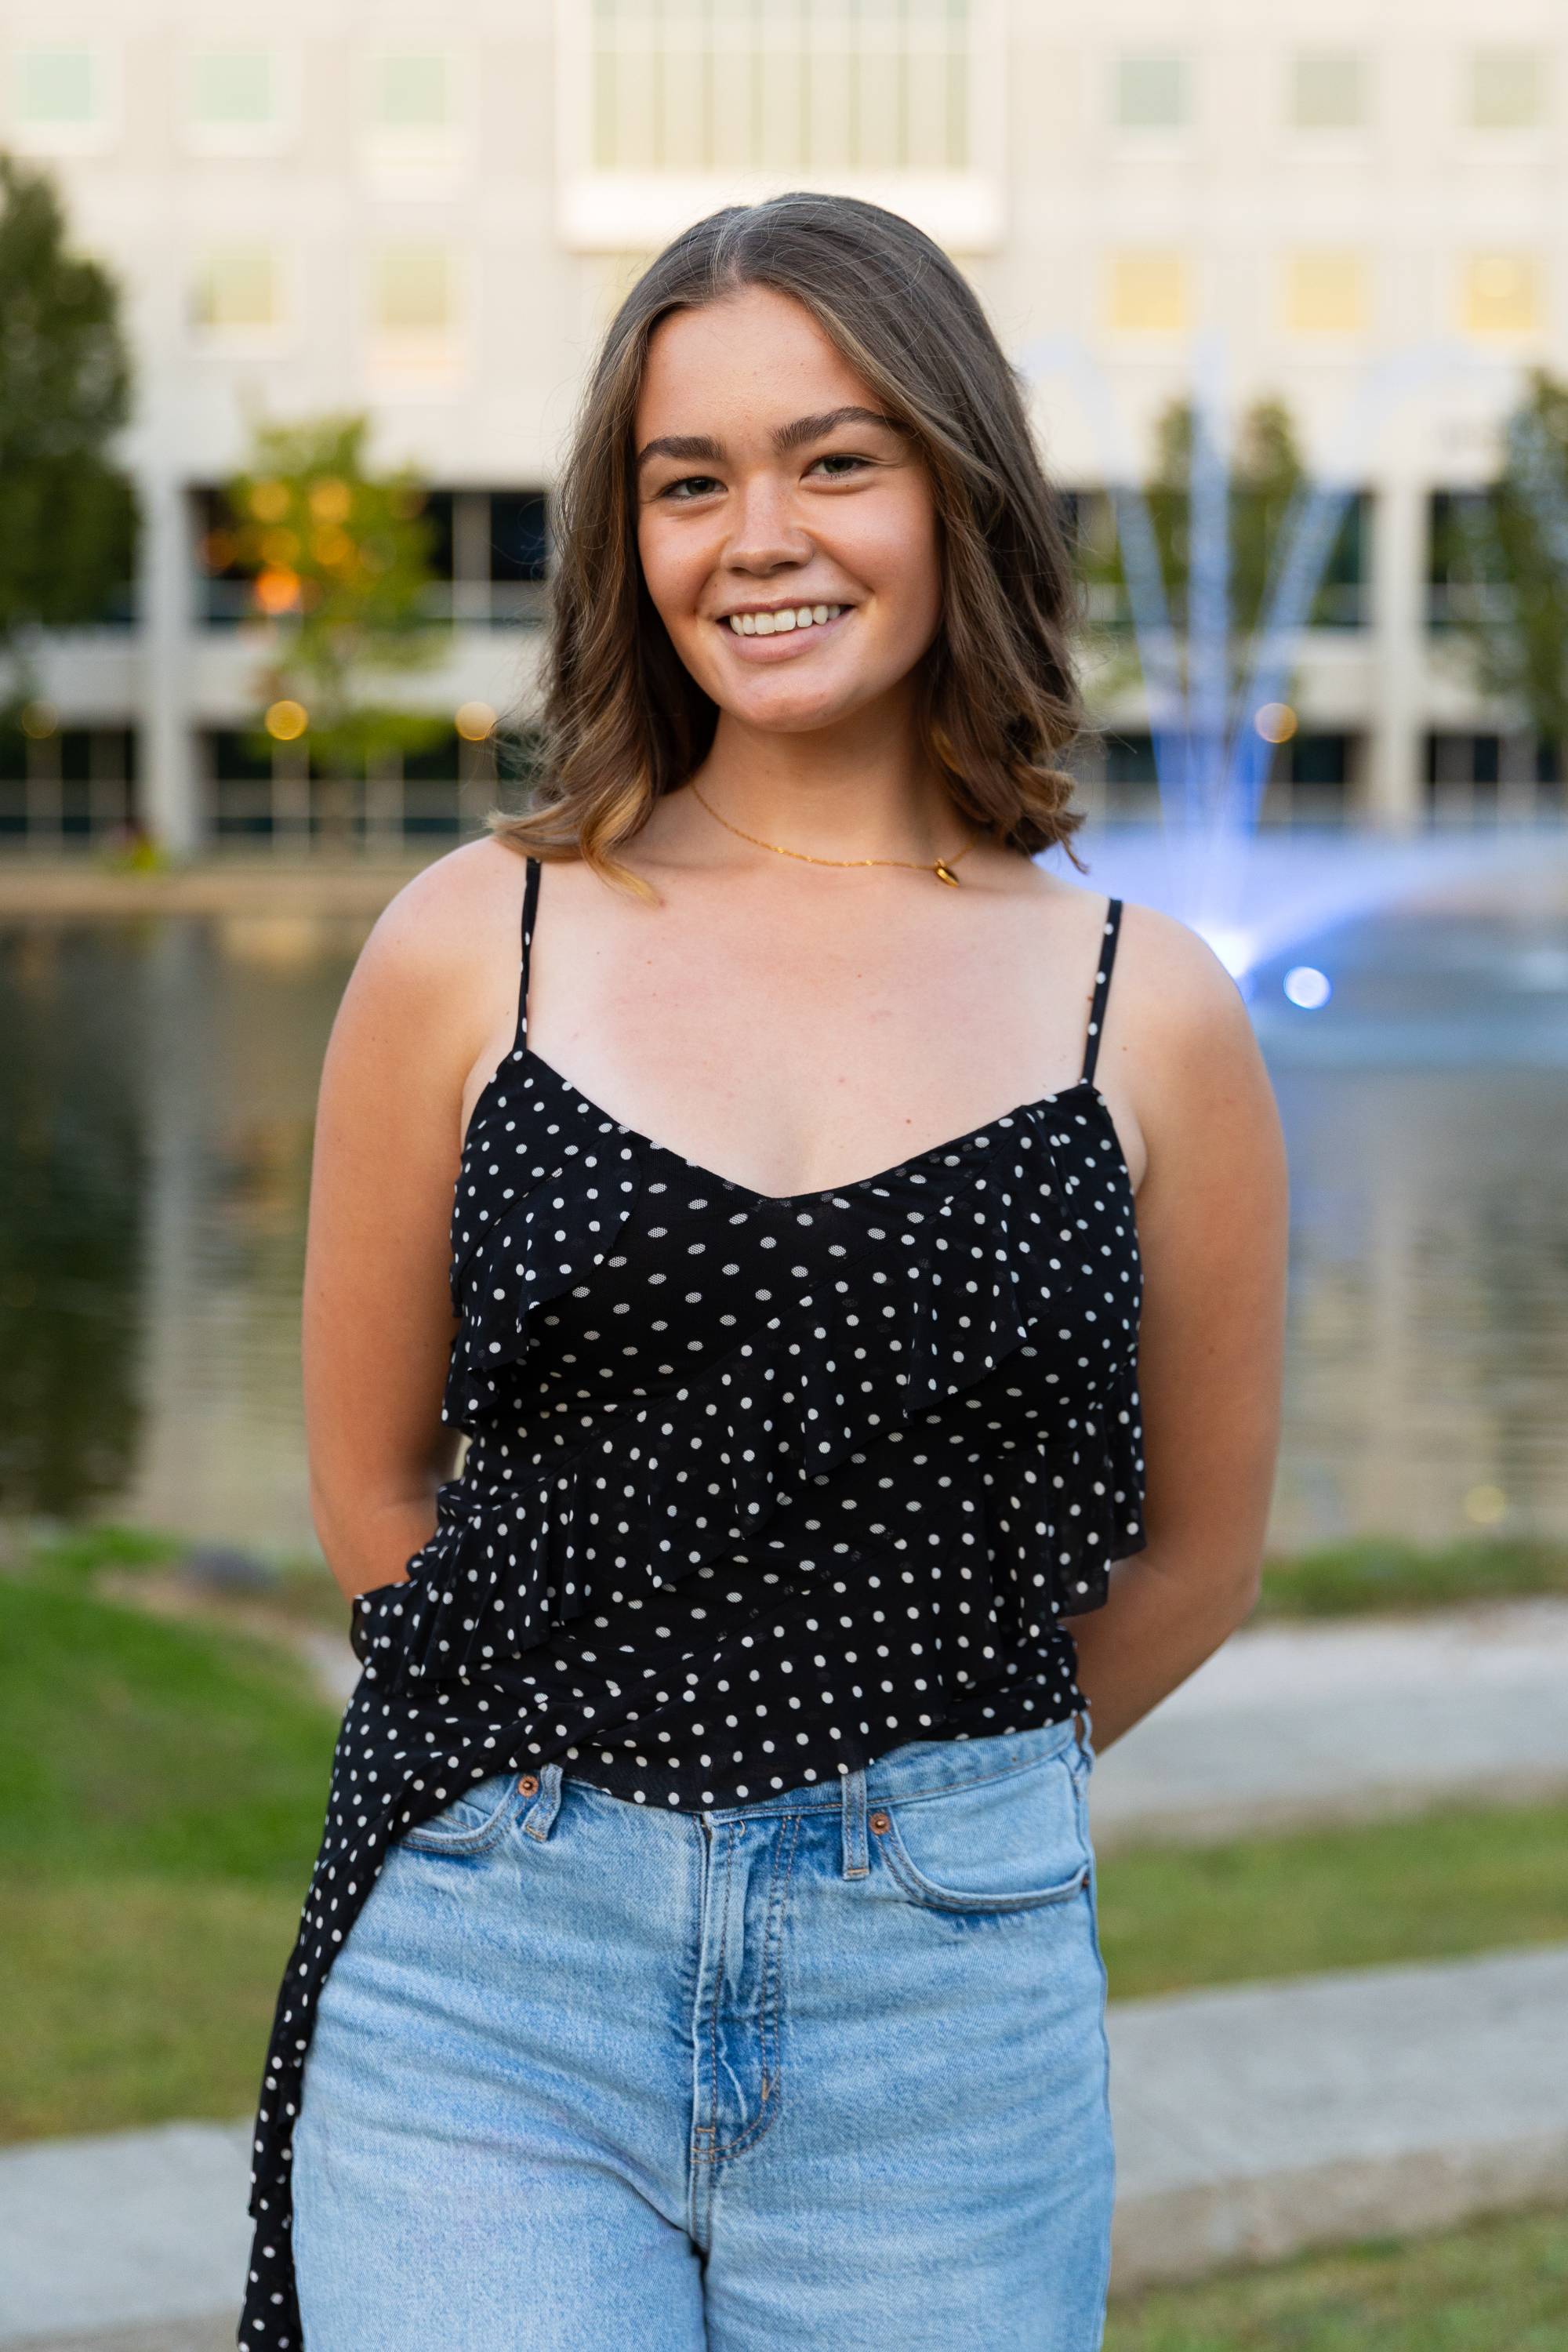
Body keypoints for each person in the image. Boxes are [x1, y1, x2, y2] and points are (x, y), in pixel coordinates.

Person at [239, 192, 1287, 2352]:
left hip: (947, 2019)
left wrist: (924, 1795)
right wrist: (577, 1754)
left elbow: (1197, 1556)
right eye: (689, 481)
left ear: (956, 489)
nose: (761, 538)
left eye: (836, 459)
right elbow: (368, 1483)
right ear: (625, 537)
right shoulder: (476, 943)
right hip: (493, 1979)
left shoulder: (1148, 1005)